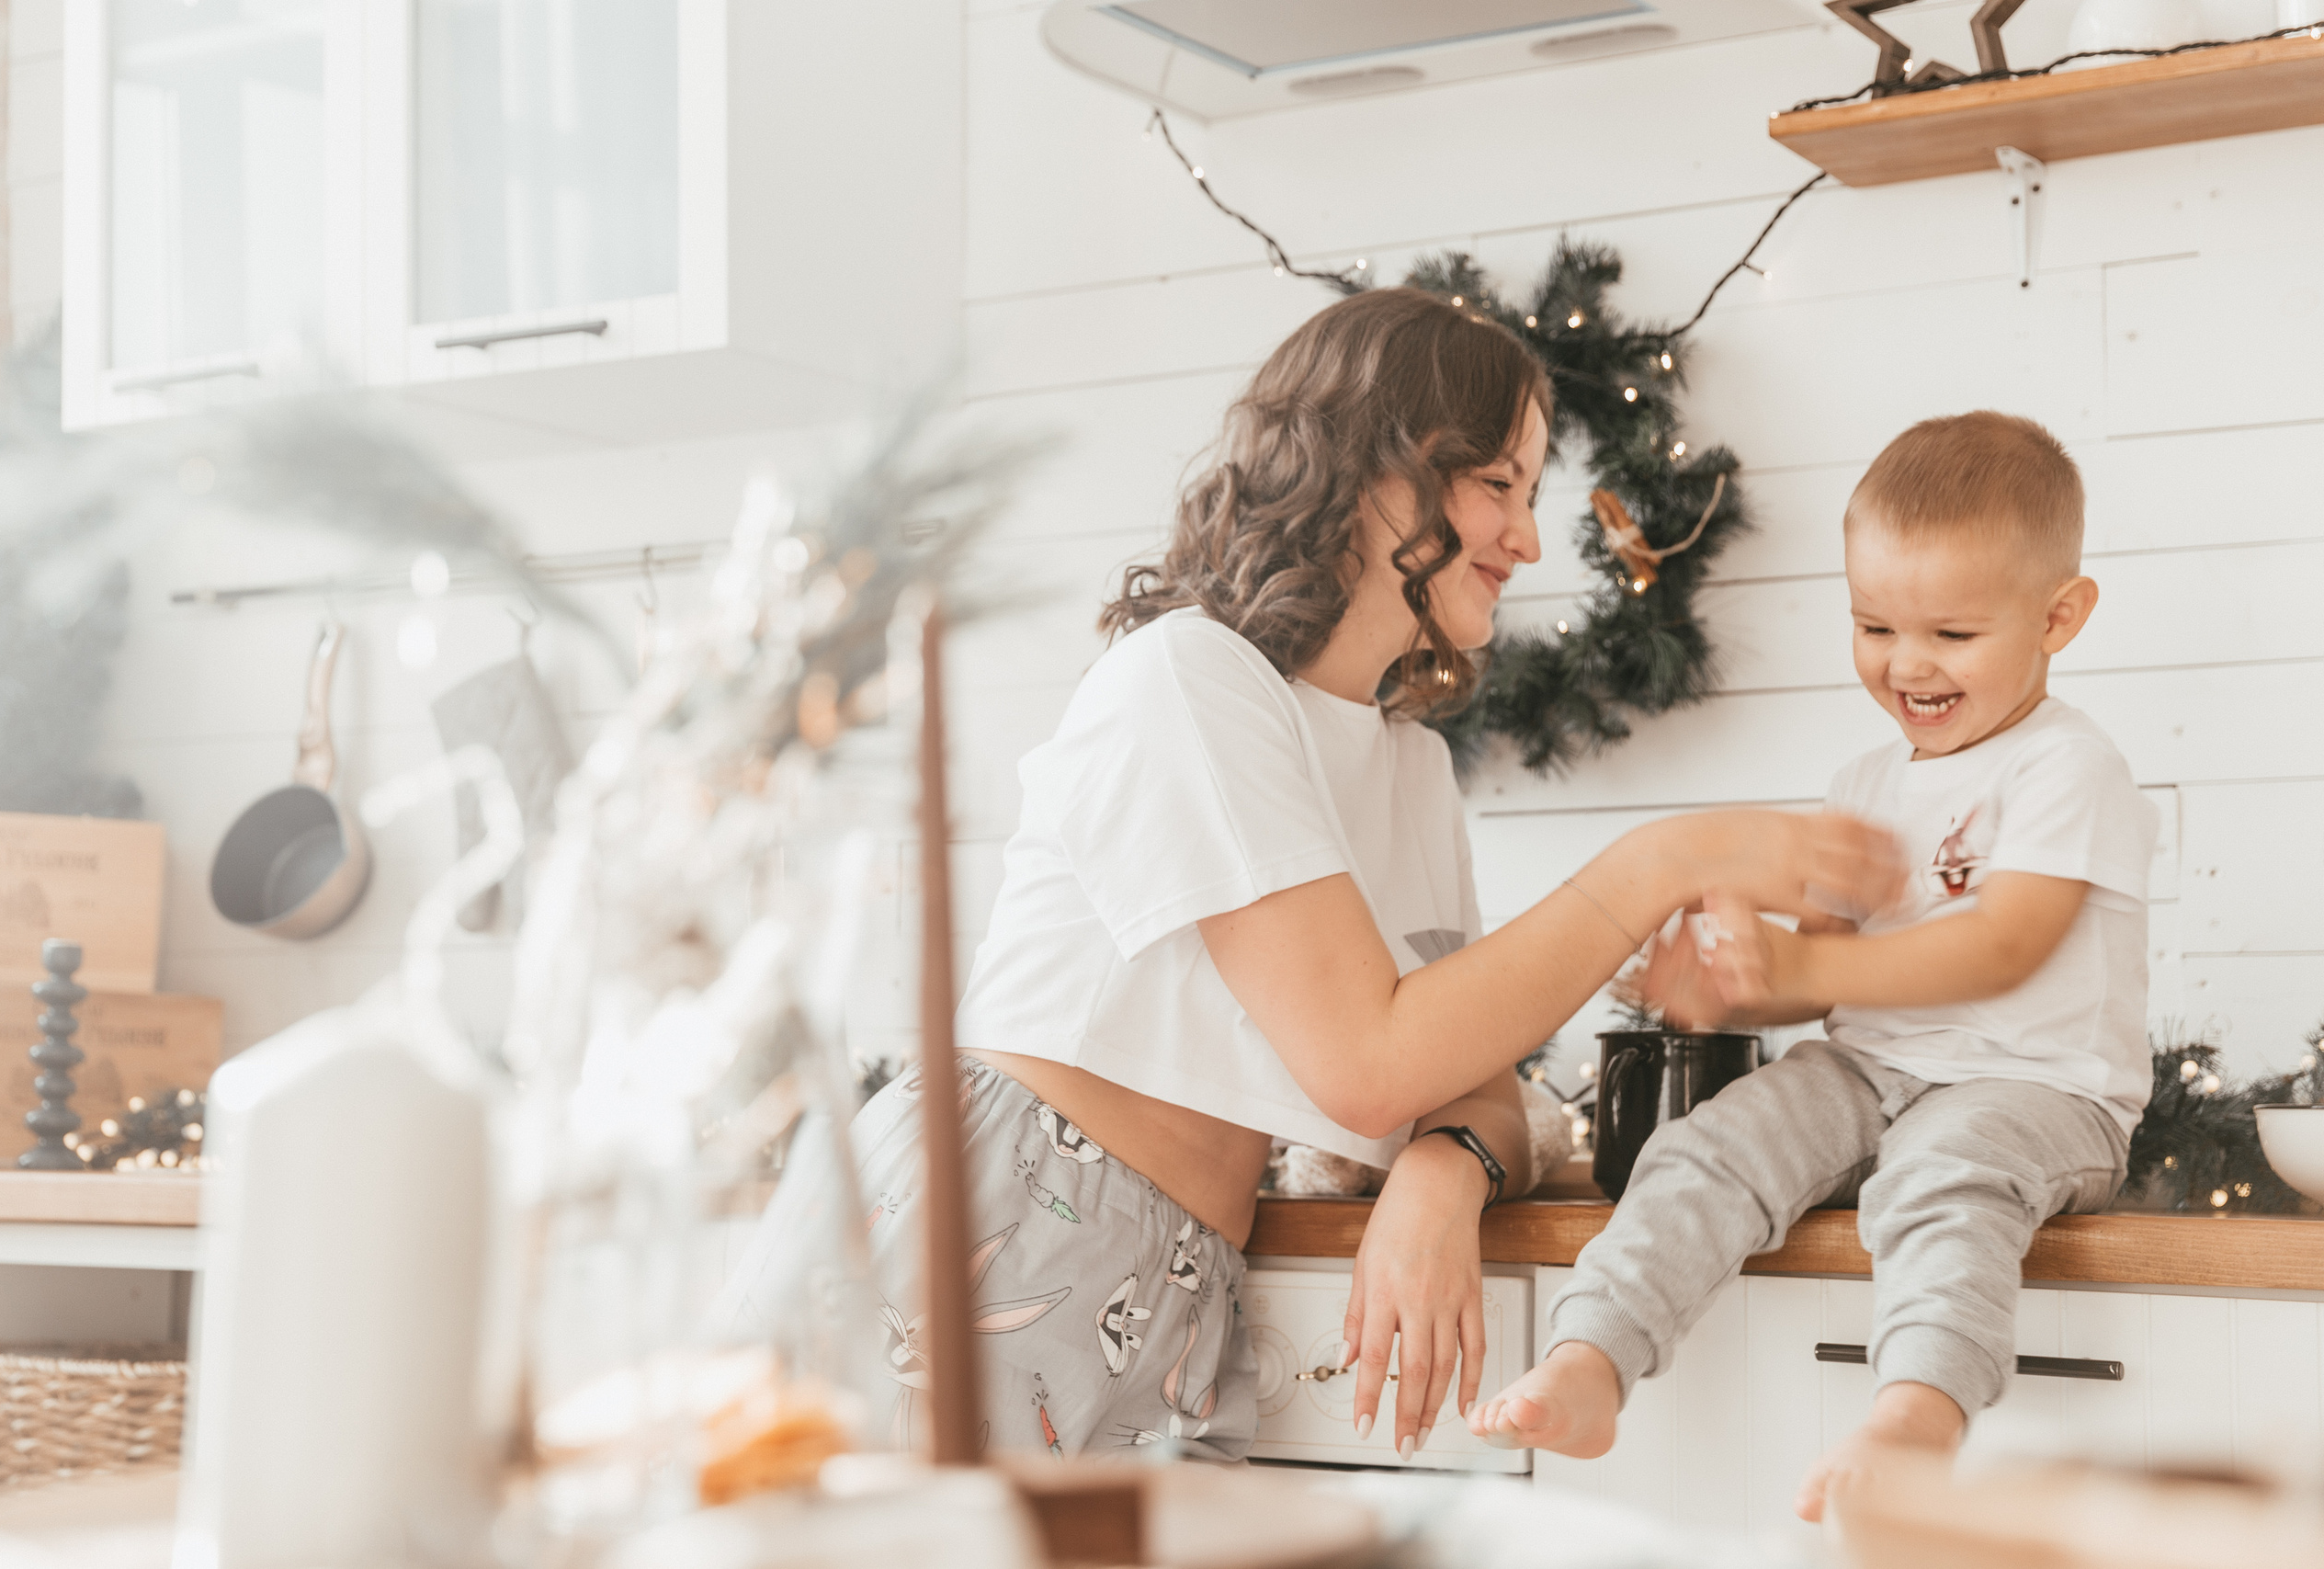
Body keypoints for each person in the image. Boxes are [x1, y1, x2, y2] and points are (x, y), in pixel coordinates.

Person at [842, 288, 1903, 1463]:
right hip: (1003, 1215)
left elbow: (1473, 1081)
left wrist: (1446, 1172)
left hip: (1184, 1273)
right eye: (1497, 484)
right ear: (1368, 469)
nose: (1528, 540)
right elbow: (1365, 1063)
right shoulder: (1190, 679)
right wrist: (1665, 859)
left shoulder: (1408, 770)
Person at [1468, 411, 2156, 1521]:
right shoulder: (1864, 783)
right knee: (1708, 1146)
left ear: (2057, 617)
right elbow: (1827, 974)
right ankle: (1591, 1357)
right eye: (1873, 624)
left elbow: (2002, 944)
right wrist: (1734, 984)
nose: (1906, 663)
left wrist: (1794, 958)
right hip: (1869, 1072)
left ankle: (1917, 1413)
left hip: (2036, 1088)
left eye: (1952, 633)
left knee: (1944, 1172)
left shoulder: (2067, 765)